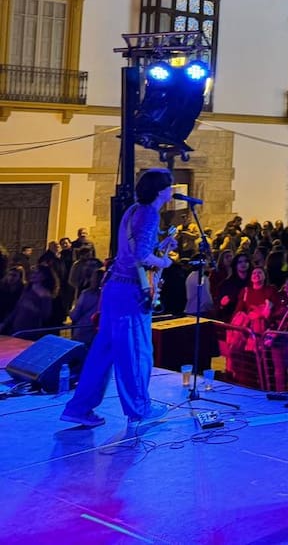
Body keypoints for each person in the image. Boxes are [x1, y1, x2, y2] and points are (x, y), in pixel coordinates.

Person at [62, 168, 177, 427]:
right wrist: (165, 262)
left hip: (115, 288)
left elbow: (131, 251)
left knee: (103, 351)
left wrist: (162, 247)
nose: (172, 191)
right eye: (170, 187)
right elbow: (141, 257)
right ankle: (140, 408)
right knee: (136, 351)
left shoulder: (133, 210)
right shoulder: (149, 213)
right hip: (130, 294)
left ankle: (79, 407)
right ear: (161, 191)